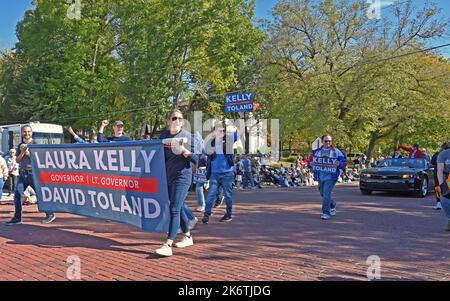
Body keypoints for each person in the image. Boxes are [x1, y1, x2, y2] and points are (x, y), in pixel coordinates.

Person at [153, 109, 198, 257]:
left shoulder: (187, 137)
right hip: (168, 177)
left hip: (183, 177)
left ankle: (168, 244)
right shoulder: (164, 136)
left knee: (174, 209)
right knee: (176, 207)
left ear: (182, 122)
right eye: (173, 118)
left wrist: (185, 151)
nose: (176, 121)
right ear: (168, 121)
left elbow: (199, 160)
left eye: (179, 119)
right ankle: (188, 236)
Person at [5, 125, 56, 225]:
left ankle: (50, 214)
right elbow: (17, 160)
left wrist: (27, 152)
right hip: (23, 174)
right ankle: (17, 218)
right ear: (22, 133)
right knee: (17, 195)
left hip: (34, 174)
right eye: (24, 131)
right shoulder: (20, 145)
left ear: (31, 133)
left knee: (40, 194)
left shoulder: (36, 144)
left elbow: (39, 160)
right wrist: (22, 152)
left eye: (28, 131)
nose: (26, 133)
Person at [202, 123, 238, 224]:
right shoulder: (210, 143)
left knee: (228, 196)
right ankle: (206, 215)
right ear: (214, 132)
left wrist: (241, 118)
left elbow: (238, 134)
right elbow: (203, 150)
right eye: (218, 131)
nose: (220, 133)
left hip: (227, 173)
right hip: (215, 174)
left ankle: (228, 214)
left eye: (222, 131)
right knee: (210, 195)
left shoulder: (228, 141)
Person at [307, 134, 347, 220]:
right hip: (320, 176)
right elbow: (309, 162)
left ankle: (326, 213)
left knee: (326, 194)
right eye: (326, 141)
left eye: (329, 141)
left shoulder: (336, 151)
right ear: (322, 142)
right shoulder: (317, 152)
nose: (328, 143)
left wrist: (339, 164)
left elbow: (344, 162)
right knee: (323, 194)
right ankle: (332, 204)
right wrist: (310, 164)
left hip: (331, 177)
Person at [436, 141, 450, 231]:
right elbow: (440, 170)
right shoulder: (444, 154)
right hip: (446, 178)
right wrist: (441, 184)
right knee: (444, 200)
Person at [431, 143, 449, 210]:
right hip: (446, 174)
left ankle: (439, 202)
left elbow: (432, 162)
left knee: (438, 187)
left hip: (438, 173)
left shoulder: (437, 154)